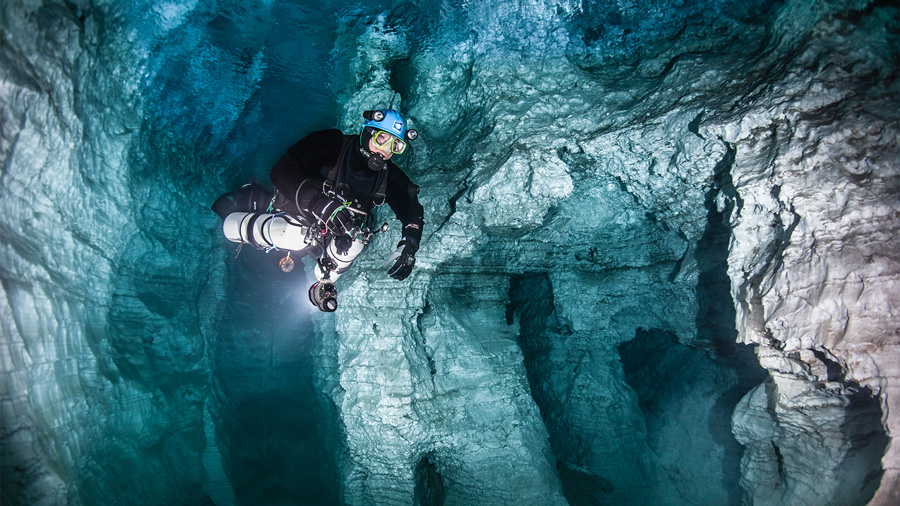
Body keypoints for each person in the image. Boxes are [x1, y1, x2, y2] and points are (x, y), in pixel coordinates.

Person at [212, 109, 424, 312]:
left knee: (357, 242)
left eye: (395, 146)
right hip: (294, 217)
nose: (385, 152)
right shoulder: (332, 144)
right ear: (368, 131)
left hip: (333, 237)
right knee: (294, 236)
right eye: (381, 139)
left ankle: (322, 281)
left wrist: (410, 243)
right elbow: (283, 171)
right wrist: (317, 203)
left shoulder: (387, 176)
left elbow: (410, 206)